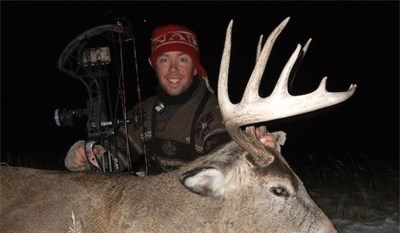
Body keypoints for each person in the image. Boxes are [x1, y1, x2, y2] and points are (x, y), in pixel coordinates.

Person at [64, 24, 278, 174]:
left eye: (183, 60)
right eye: (164, 60)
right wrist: (86, 156)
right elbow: (116, 155)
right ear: (155, 67)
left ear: (195, 68)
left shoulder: (216, 113)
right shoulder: (144, 112)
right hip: (157, 206)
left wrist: (255, 149)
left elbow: (226, 159)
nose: (173, 70)